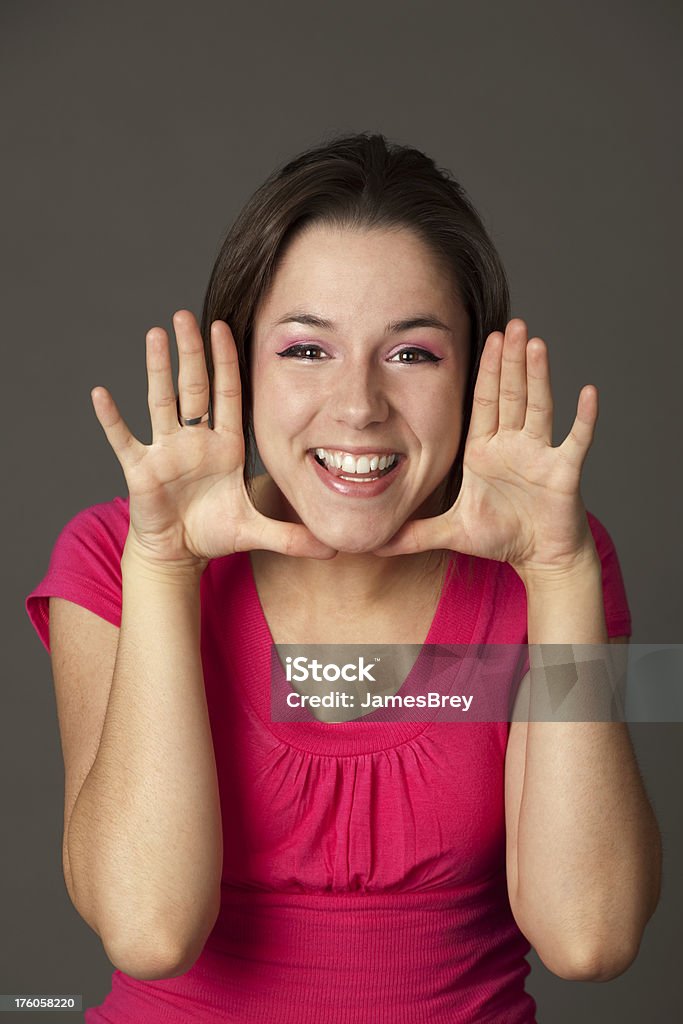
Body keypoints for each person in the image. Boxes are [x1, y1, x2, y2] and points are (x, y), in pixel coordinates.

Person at [25, 132, 661, 1024]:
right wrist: (165, 568)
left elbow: (589, 938)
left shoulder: (552, 563)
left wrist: (559, 577)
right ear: (240, 365)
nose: (359, 406)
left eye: (411, 354)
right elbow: (148, 930)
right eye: (305, 350)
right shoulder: (112, 554)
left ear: (477, 374)